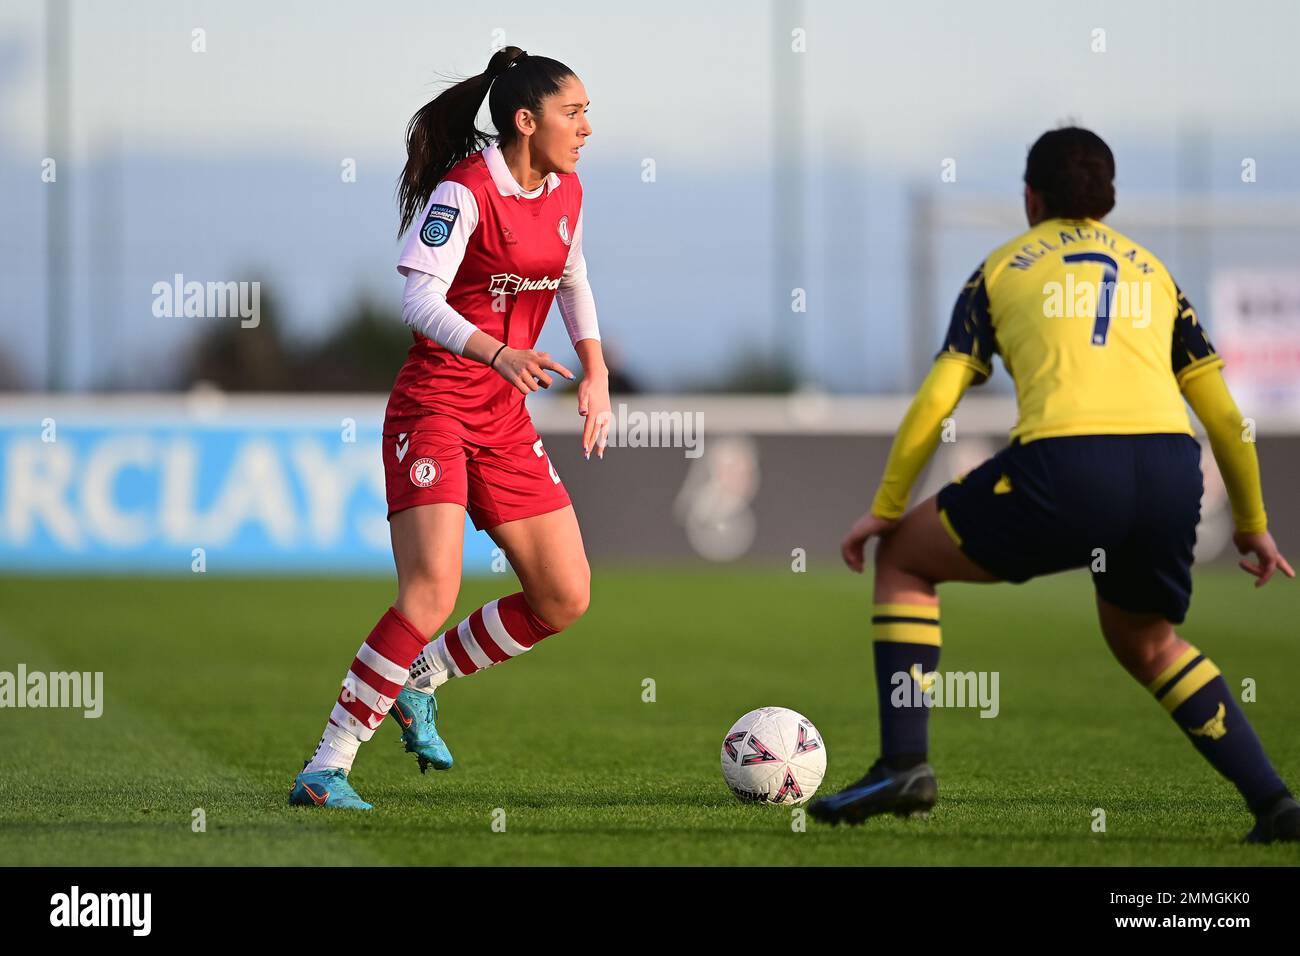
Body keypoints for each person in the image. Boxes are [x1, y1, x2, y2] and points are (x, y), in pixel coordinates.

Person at [809, 127, 1298, 843]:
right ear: (1111, 197)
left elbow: (936, 404)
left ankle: (904, 765)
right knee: (1148, 641)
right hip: (1169, 468)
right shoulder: (1154, 273)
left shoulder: (1001, 269)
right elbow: (1225, 417)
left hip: (1067, 463)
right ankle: (1277, 805)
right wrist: (1253, 522)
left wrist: (885, 510)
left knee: (906, 560)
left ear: (1030, 197)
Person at [290, 46, 610, 810]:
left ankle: (422, 679)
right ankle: (326, 766)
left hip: (503, 417)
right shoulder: (464, 191)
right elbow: (418, 299)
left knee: (564, 597)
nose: (588, 128)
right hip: (434, 408)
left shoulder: (567, 190)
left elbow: (571, 276)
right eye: (575, 113)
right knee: (431, 590)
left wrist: (594, 370)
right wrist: (497, 351)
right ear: (525, 121)